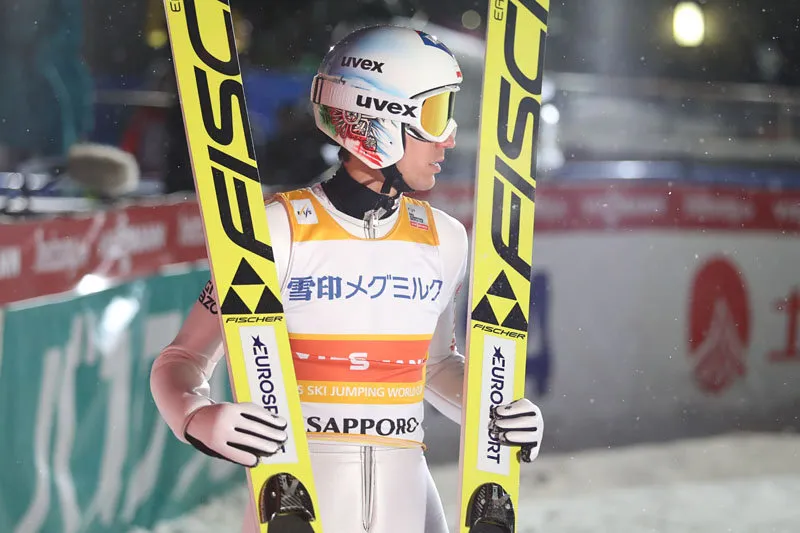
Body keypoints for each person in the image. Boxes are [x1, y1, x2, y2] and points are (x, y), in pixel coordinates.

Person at [150, 24, 543, 533]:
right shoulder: (276, 231)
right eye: (434, 114)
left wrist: (497, 410)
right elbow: (182, 358)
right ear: (379, 117)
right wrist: (194, 417)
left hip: (409, 497)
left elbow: (434, 366)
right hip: (301, 498)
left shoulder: (444, 238)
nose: (448, 137)